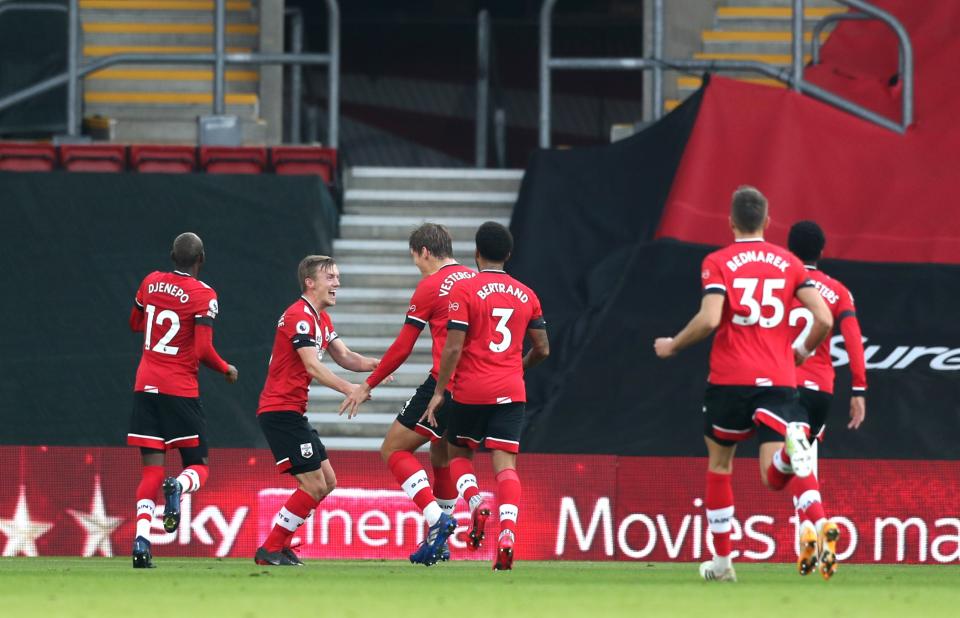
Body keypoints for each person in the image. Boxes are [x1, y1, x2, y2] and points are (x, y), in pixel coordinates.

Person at [654, 186, 837, 582]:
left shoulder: (718, 261)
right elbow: (823, 317)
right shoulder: (789, 263)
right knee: (774, 476)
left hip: (730, 379)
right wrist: (802, 351)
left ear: (732, 221)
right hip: (779, 380)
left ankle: (722, 564)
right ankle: (793, 459)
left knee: (720, 466)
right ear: (768, 221)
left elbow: (708, 319)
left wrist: (672, 345)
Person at [340, 223, 474, 566]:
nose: (416, 264)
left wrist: (367, 384)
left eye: (414, 258)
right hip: (481, 385)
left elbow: (403, 347)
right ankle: (440, 544)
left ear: (424, 252)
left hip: (446, 384)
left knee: (393, 448)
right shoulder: (476, 280)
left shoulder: (431, 286)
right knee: (440, 452)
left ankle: (437, 519)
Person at [422, 221, 550, 571]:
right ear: (508, 254)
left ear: (476, 253)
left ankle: (476, 502)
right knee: (505, 465)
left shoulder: (464, 290)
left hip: (470, 389)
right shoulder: (527, 294)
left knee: (456, 450)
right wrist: (517, 368)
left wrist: (438, 391)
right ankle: (507, 532)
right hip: (511, 390)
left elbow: (453, 346)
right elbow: (543, 349)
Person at [254, 255, 380, 566]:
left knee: (328, 482)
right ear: (310, 283)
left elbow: (345, 356)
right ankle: (269, 547)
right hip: (280, 411)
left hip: (293, 412)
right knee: (313, 484)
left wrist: (378, 366)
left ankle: (279, 544)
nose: (337, 283)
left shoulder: (320, 319)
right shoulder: (298, 315)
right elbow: (312, 365)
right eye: (331, 278)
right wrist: (350, 389)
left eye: (337, 277)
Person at [127, 232, 239, 569]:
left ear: (171, 255)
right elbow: (203, 350)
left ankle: (142, 542)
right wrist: (226, 368)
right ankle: (177, 486)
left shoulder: (150, 282)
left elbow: (135, 323)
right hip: (179, 390)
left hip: (144, 387)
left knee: (150, 471)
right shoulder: (203, 295)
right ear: (201, 259)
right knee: (199, 467)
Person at [787, 220, 867, 440]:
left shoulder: (778, 284)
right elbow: (853, 339)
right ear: (821, 252)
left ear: (789, 249)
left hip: (780, 382)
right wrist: (858, 389)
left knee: (778, 459)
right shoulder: (838, 291)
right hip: (818, 388)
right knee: (804, 459)